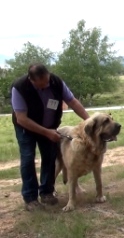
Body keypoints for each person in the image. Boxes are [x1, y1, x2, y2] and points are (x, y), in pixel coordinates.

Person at [11, 63, 89, 211]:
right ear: (31, 79)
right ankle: (30, 198)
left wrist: (89, 121)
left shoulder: (56, 82)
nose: (45, 86)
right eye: (41, 85)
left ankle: (47, 192)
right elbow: (21, 118)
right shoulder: (19, 88)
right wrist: (47, 132)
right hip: (26, 128)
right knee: (28, 158)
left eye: (46, 82)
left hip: (49, 126)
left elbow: (72, 101)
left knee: (49, 157)